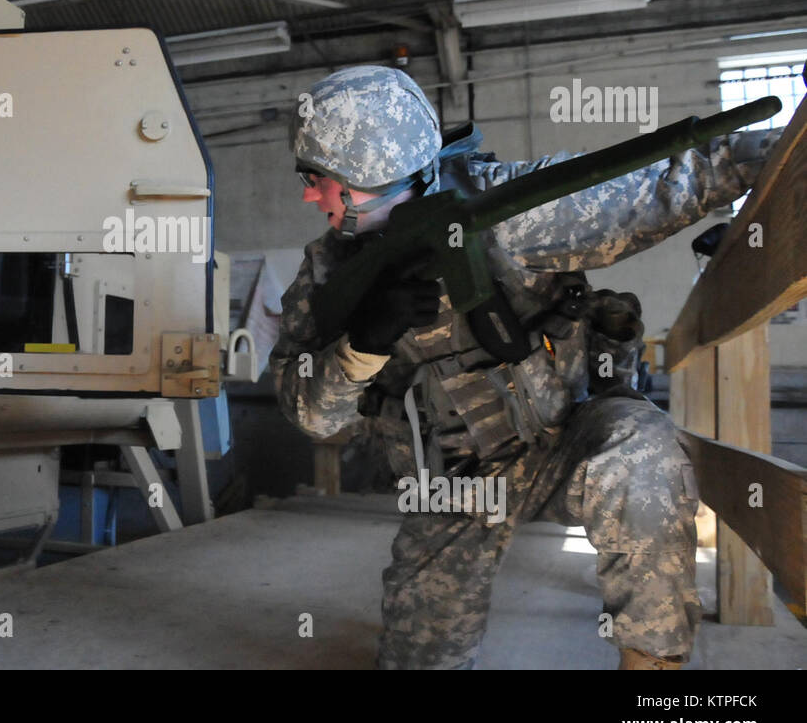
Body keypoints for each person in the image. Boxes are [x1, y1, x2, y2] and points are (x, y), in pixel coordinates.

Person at [270, 65, 784, 670]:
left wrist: (779, 154)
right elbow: (308, 413)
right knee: (419, 660)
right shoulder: (328, 274)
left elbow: (670, 181)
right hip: (456, 478)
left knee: (641, 449)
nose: (308, 195)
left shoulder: (504, 207)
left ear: (370, 174)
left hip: (567, 436)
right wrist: (362, 345)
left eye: (318, 178)